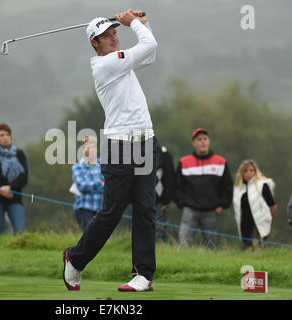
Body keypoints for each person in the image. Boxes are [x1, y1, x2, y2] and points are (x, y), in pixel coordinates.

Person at [63, 9, 160, 292]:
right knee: (111, 212)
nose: (114, 38)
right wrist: (134, 24)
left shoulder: (120, 61)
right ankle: (75, 258)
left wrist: (143, 24)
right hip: (119, 145)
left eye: (115, 32)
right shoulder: (104, 65)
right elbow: (149, 46)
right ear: (95, 43)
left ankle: (143, 274)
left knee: (145, 209)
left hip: (145, 141)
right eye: (107, 36)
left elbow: (149, 54)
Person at [173, 128, 233, 249]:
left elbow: (228, 186)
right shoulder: (184, 162)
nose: (202, 142)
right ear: (193, 143)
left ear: (209, 141)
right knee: (184, 244)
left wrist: (223, 205)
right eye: (199, 139)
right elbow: (176, 187)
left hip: (212, 211)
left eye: (205, 139)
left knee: (210, 247)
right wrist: (182, 204)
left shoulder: (221, 162)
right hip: (190, 210)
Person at [233, 159, 277, 249]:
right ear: (241, 173)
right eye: (245, 171)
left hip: (259, 225)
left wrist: (269, 222)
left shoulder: (262, 185)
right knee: (248, 251)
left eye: (251, 170)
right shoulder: (238, 189)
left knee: (259, 250)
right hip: (244, 226)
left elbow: (273, 206)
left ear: (255, 171)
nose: (249, 173)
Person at [71, 136, 104, 231]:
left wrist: (93, 186)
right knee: (90, 238)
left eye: (94, 147)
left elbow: (108, 185)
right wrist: (100, 183)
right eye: (88, 147)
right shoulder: (77, 167)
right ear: (83, 150)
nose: (91, 150)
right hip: (85, 209)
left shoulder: (103, 165)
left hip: (102, 209)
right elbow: (82, 186)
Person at [154, 145, 176, 242]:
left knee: (159, 233)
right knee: (135, 231)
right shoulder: (135, 149)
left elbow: (170, 178)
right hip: (137, 200)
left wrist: (166, 200)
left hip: (158, 201)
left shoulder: (164, 153)